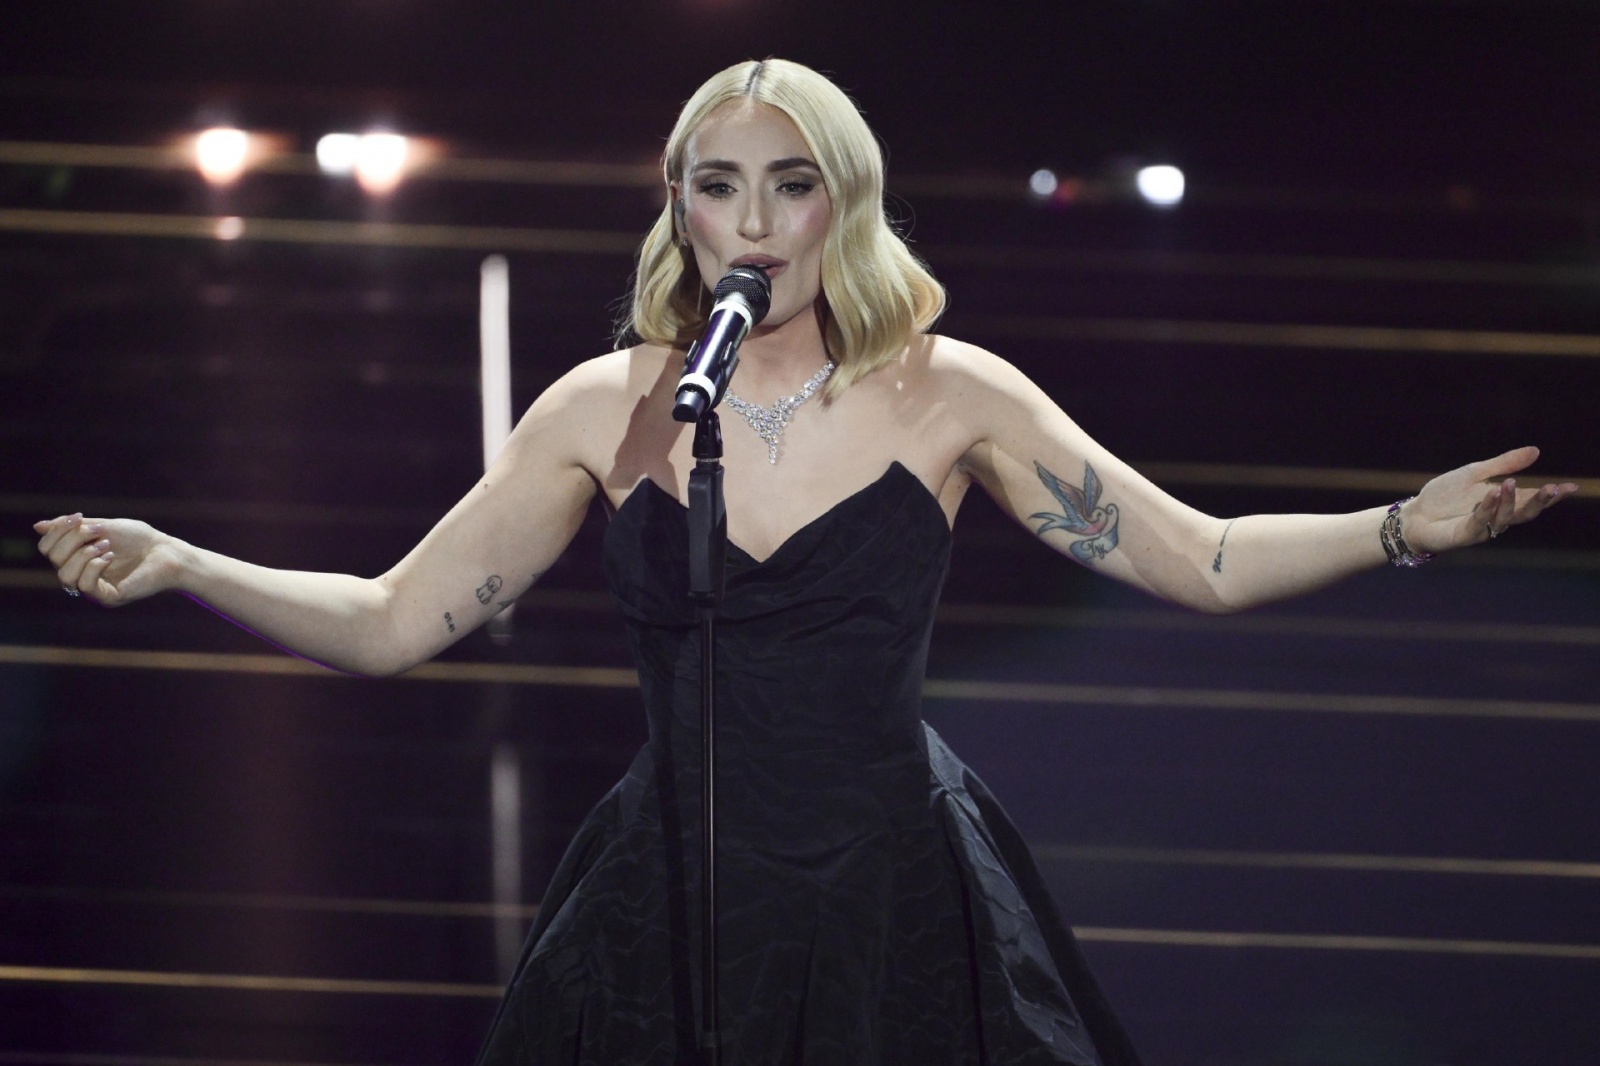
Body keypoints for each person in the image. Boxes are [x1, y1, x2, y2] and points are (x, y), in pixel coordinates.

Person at [35, 58, 1575, 1066]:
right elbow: (388, 622)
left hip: (893, 902)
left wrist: (1399, 528)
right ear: (679, 205)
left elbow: (1207, 557)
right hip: (672, 906)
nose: (751, 219)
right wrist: (183, 560)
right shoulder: (617, 405)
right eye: (718, 183)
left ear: (844, 200)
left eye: (789, 183)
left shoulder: (947, 391)